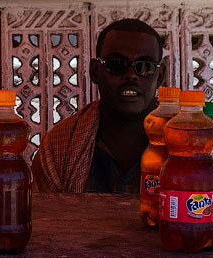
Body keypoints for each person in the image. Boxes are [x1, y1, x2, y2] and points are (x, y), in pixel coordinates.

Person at [32, 19, 164, 194]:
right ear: (95, 72)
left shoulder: (188, 143)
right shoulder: (59, 147)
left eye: (145, 67)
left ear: (160, 76)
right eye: (116, 65)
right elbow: (45, 218)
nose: (131, 75)